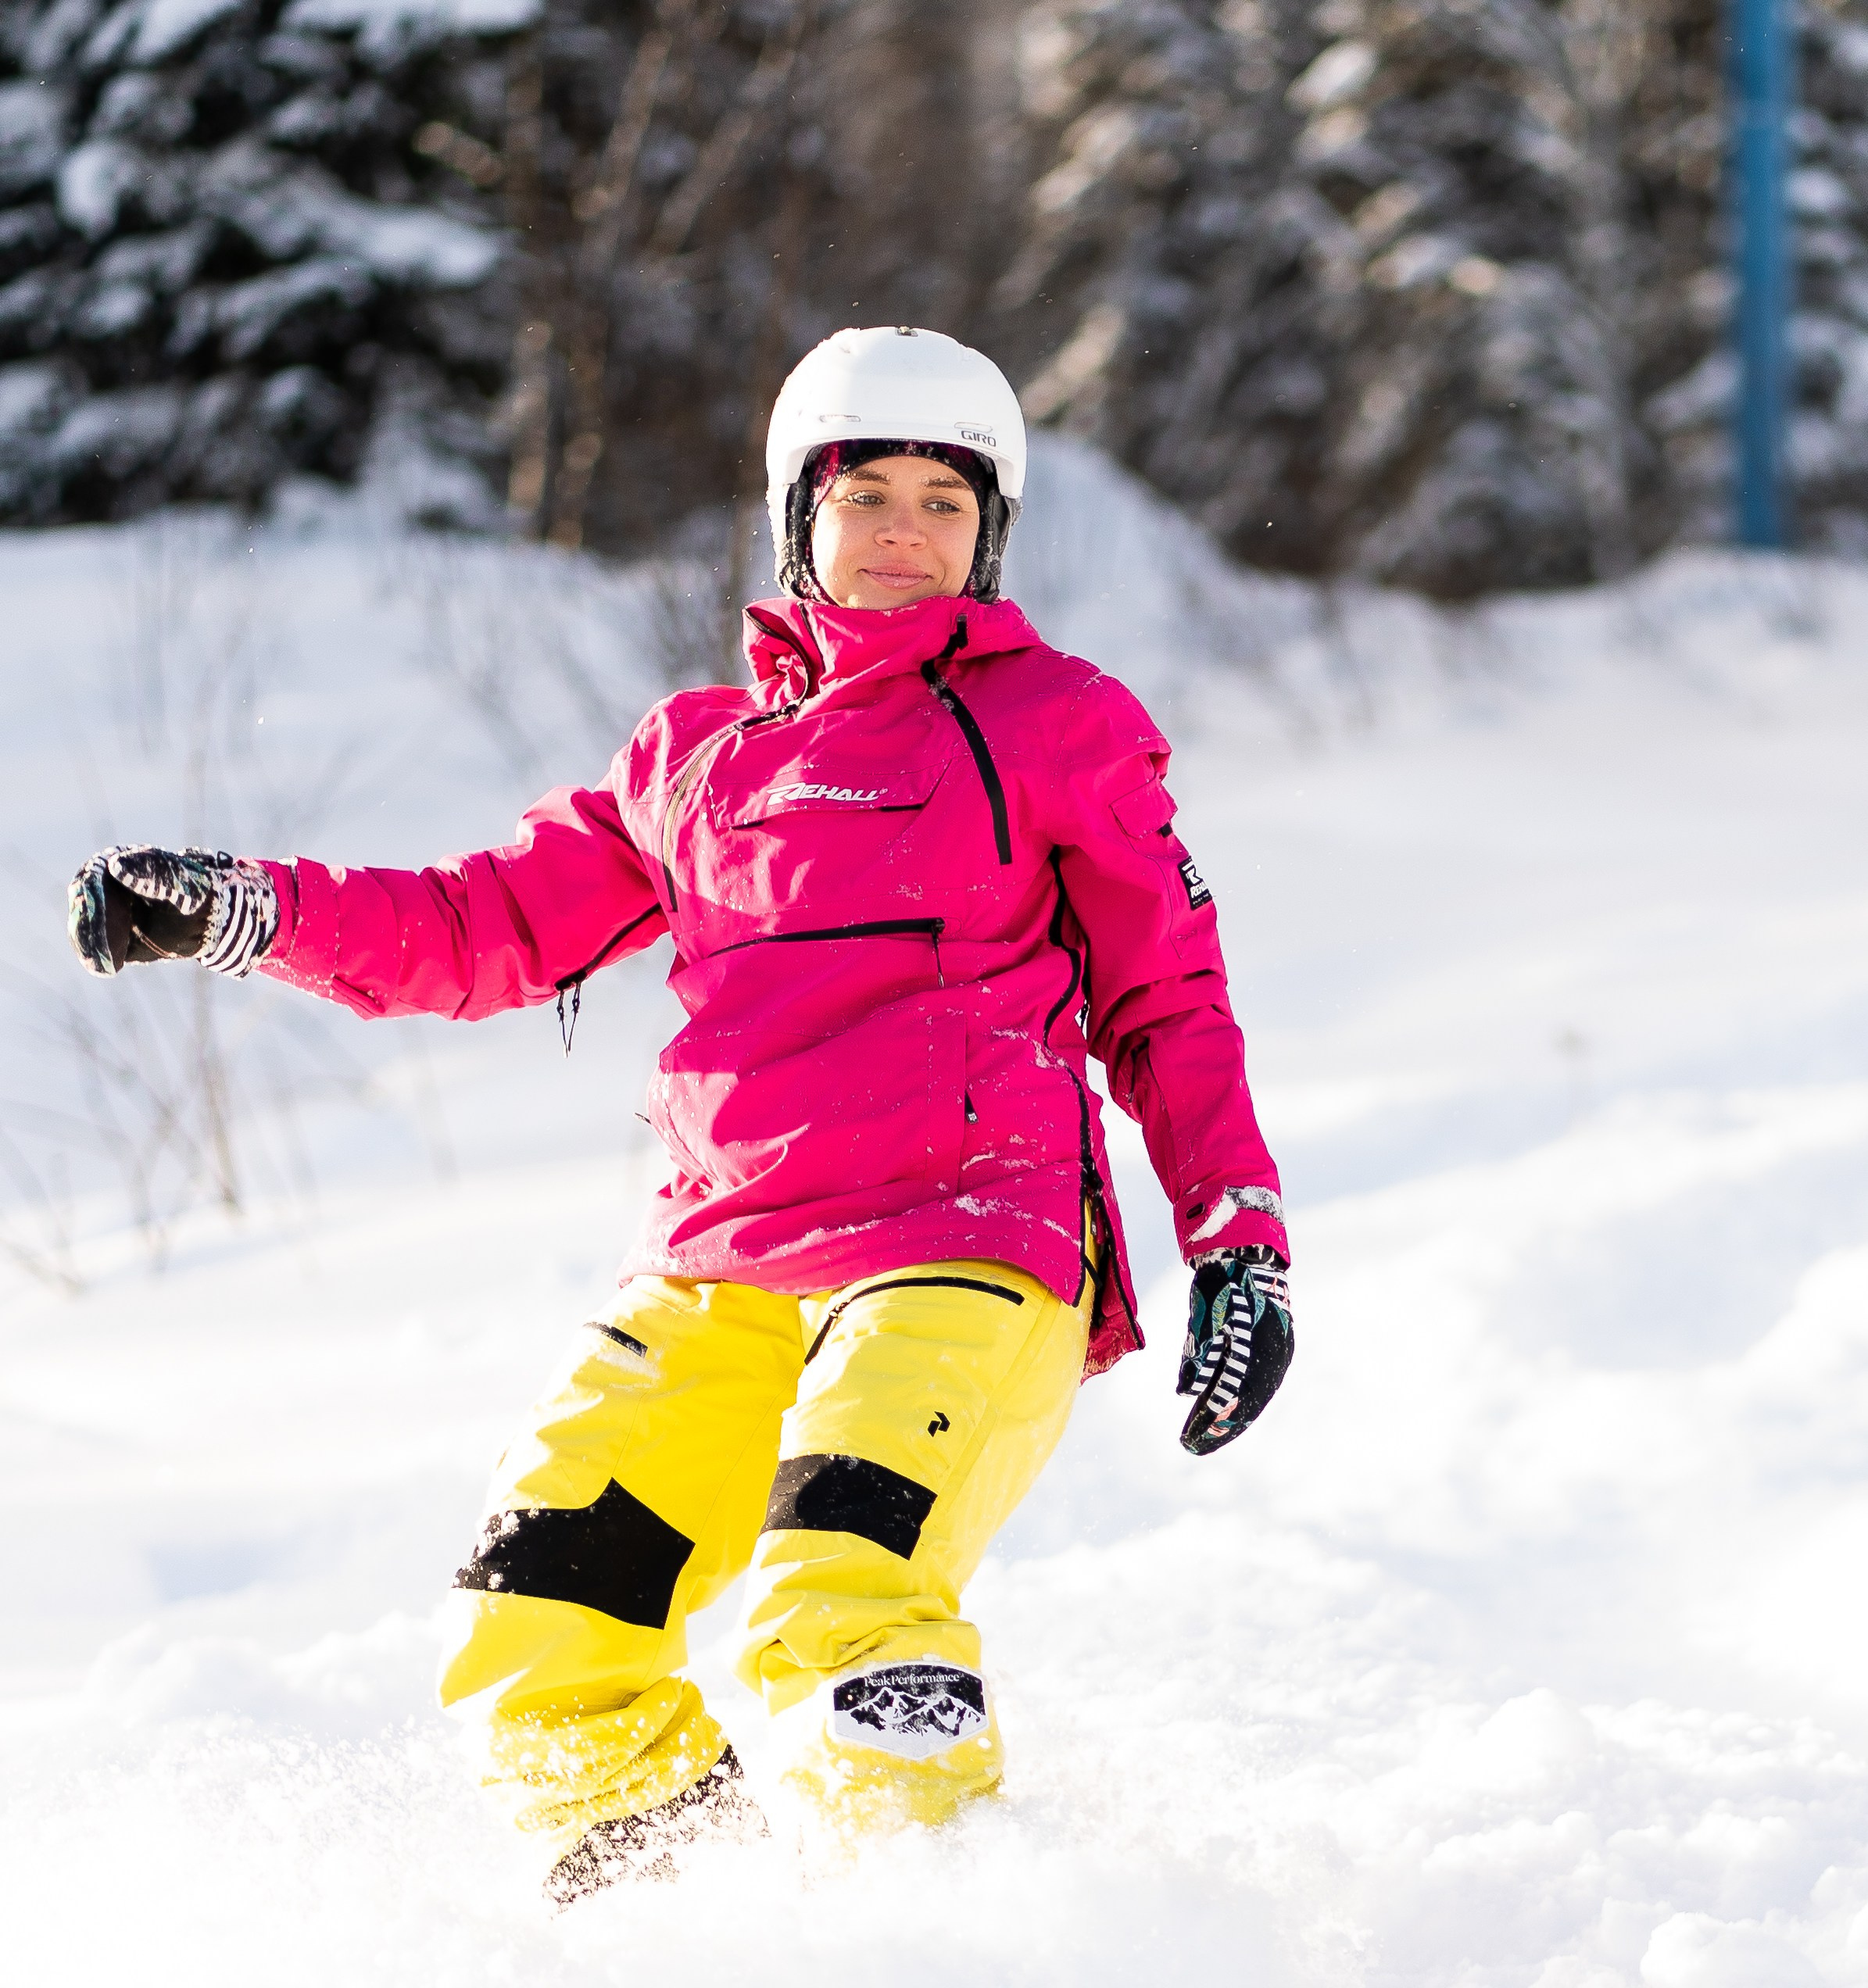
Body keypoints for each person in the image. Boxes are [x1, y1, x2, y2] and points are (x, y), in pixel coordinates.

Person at [66, 326, 1293, 1901]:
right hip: (723, 1272)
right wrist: (241, 910)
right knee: (542, 1615)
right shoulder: (696, 757)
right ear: (800, 513)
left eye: (945, 503)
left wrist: (1236, 1240)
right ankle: (700, 1960)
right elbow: (474, 927)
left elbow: (1165, 1000)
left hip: (961, 1252)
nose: (906, 536)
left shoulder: (1056, 722)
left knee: (839, 1588)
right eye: (868, 497)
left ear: (993, 536)